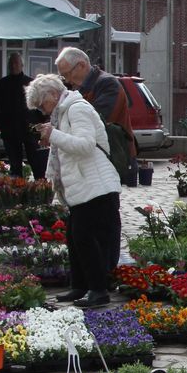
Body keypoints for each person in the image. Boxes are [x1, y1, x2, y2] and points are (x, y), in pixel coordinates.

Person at [27, 74, 121, 309]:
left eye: (42, 104)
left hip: (96, 186)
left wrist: (54, 135)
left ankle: (98, 290)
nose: (43, 111)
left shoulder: (76, 109)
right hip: (84, 186)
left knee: (86, 239)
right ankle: (81, 285)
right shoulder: (64, 112)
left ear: (52, 95)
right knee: (75, 237)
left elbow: (85, 145)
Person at [56, 47, 131, 267]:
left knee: (107, 217)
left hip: (109, 158)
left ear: (81, 65)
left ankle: (108, 266)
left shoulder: (106, 84)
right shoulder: (83, 87)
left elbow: (97, 120)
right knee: (95, 218)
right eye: (64, 76)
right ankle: (101, 267)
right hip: (92, 160)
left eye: (68, 74)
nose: (67, 80)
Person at [0, 52, 43, 180]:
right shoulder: (1, 84)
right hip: (9, 130)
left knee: (36, 163)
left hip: (29, 129)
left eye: (16, 63)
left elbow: (40, 106)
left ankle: (40, 190)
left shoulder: (31, 83)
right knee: (15, 166)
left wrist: (38, 123)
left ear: (22, 65)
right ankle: (17, 192)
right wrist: (0, 124)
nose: (13, 65)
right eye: (11, 63)